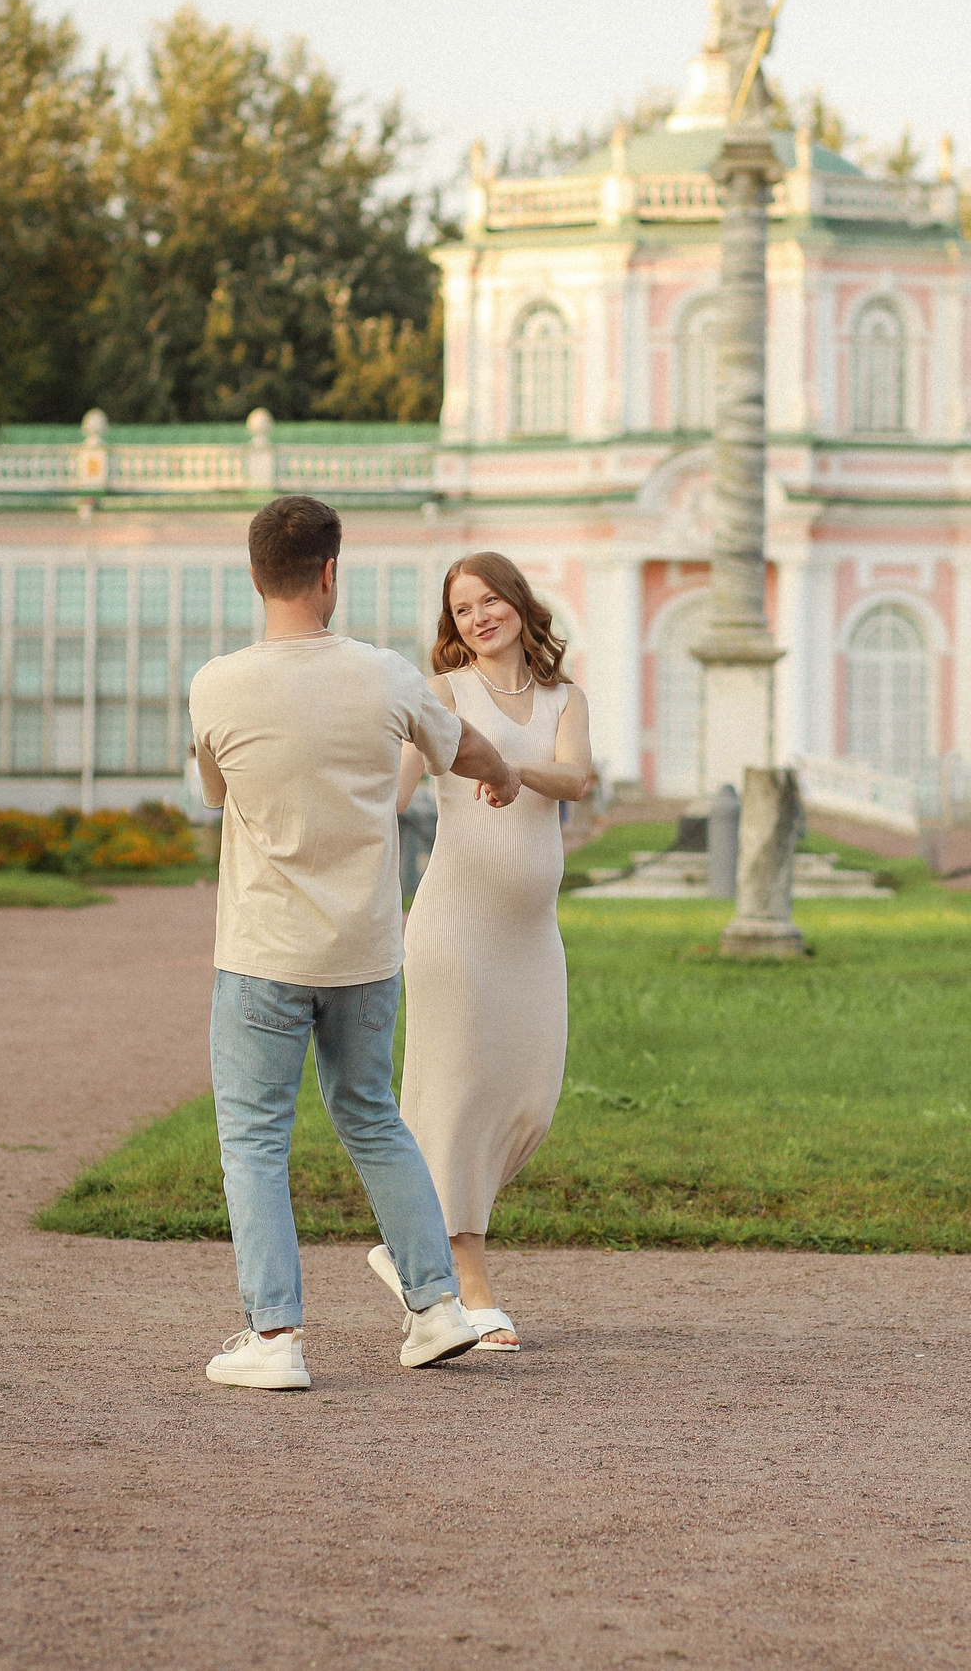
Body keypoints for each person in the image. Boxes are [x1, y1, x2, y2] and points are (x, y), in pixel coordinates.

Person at [188, 496, 526, 1389]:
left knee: (254, 1138)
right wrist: (500, 775)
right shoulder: (385, 677)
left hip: (261, 953)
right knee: (372, 1116)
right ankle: (437, 1307)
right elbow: (464, 748)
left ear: (257, 576)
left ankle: (274, 1336)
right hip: (365, 953)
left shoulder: (216, 683)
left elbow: (216, 791)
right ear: (331, 573)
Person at [381, 553, 596, 1354]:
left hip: (530, 935)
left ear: (517, 601)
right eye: (462, 608)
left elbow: (575, 778)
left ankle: (414, 1242)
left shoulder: (564, 698)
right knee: (461, 1098)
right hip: (455, 928)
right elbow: (396, 790)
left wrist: (511, 768)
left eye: (489, 600)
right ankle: (469, 1285)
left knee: (530, 1098)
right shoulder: (443, 695)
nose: (478, 617)